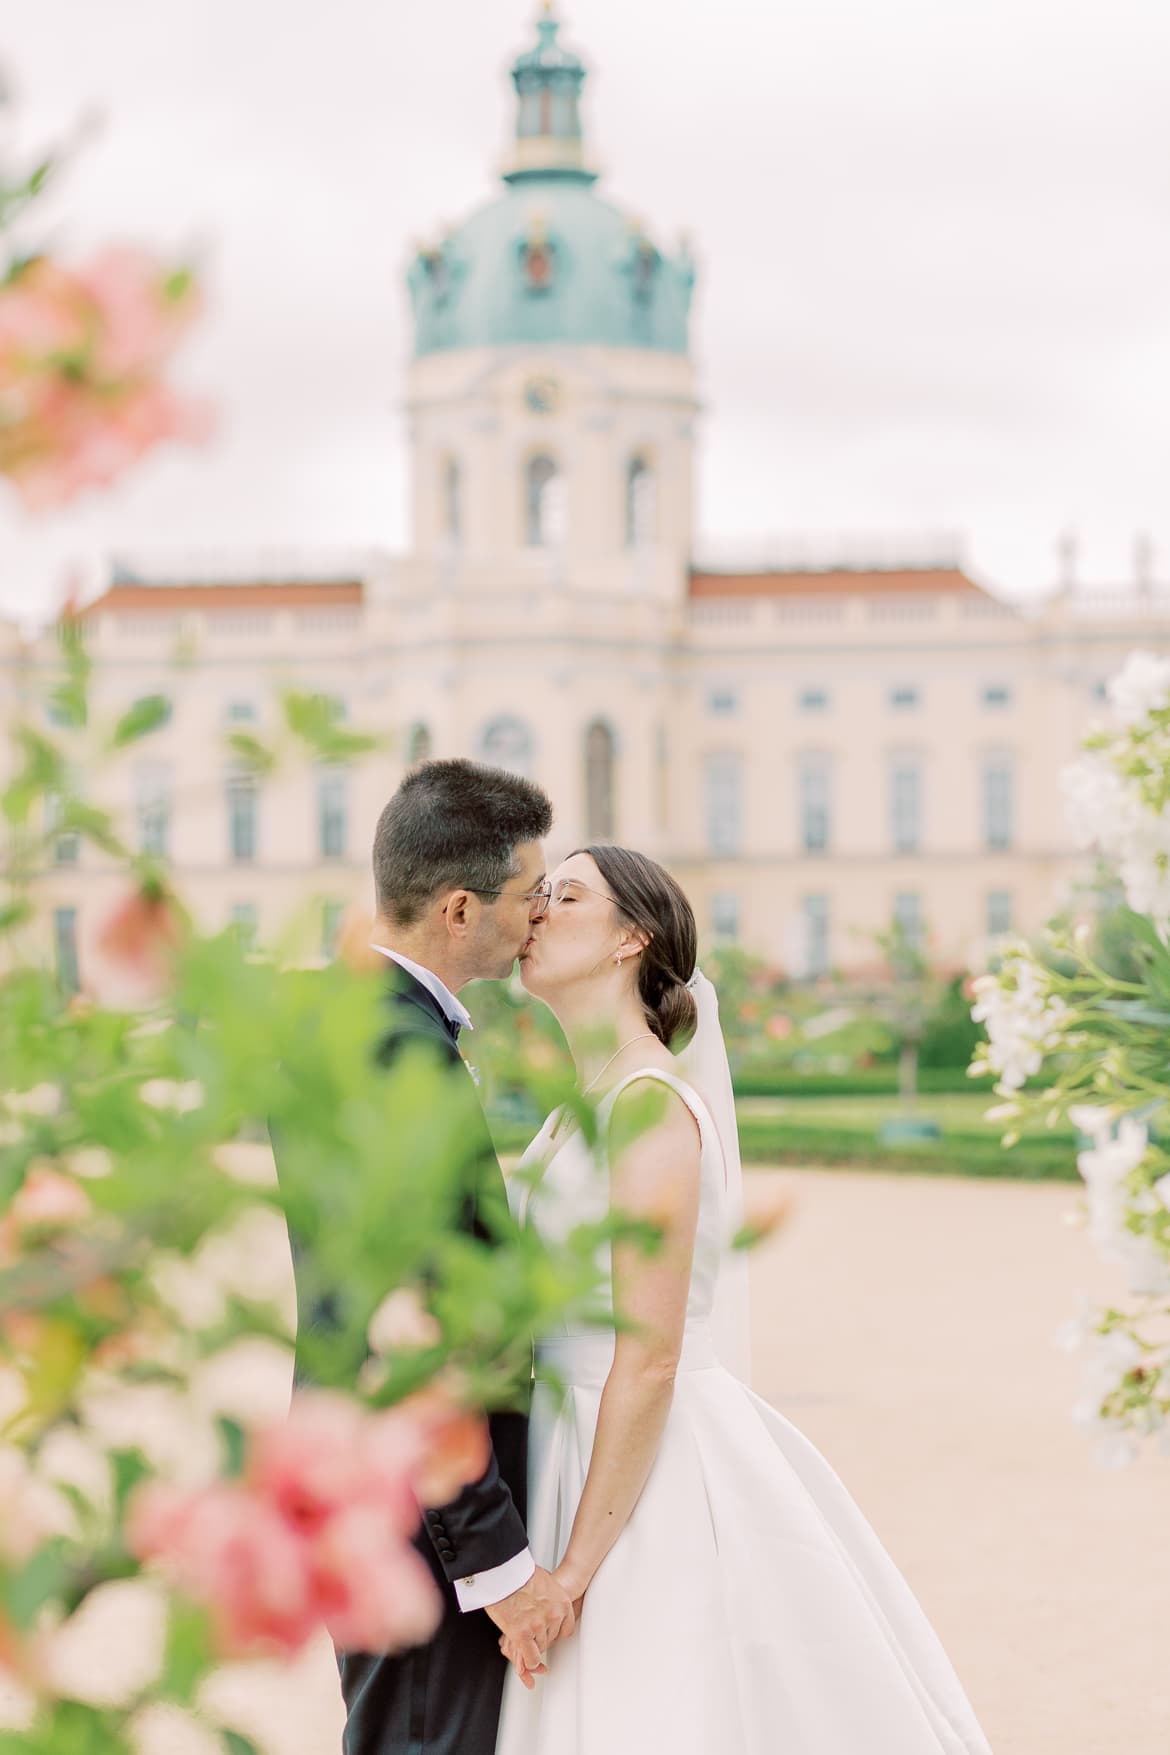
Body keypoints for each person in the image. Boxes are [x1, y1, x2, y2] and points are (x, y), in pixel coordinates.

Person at [495, 844, 993, 1755]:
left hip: (640, 1461)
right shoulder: (576, 1108)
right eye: (539, 893)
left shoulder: (646, 1105)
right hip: (562, 1441)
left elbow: (650, 1353)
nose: (536, 910)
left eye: (567, 895)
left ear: (629, 940)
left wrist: (570, 1574)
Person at [288, 757, 571, 1755]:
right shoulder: (396, 1049)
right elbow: (418, 1319)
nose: (542, 915)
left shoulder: (351, 1014)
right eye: (531, 895)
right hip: (416, 1516)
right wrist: (496, 1569)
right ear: (460, 908)